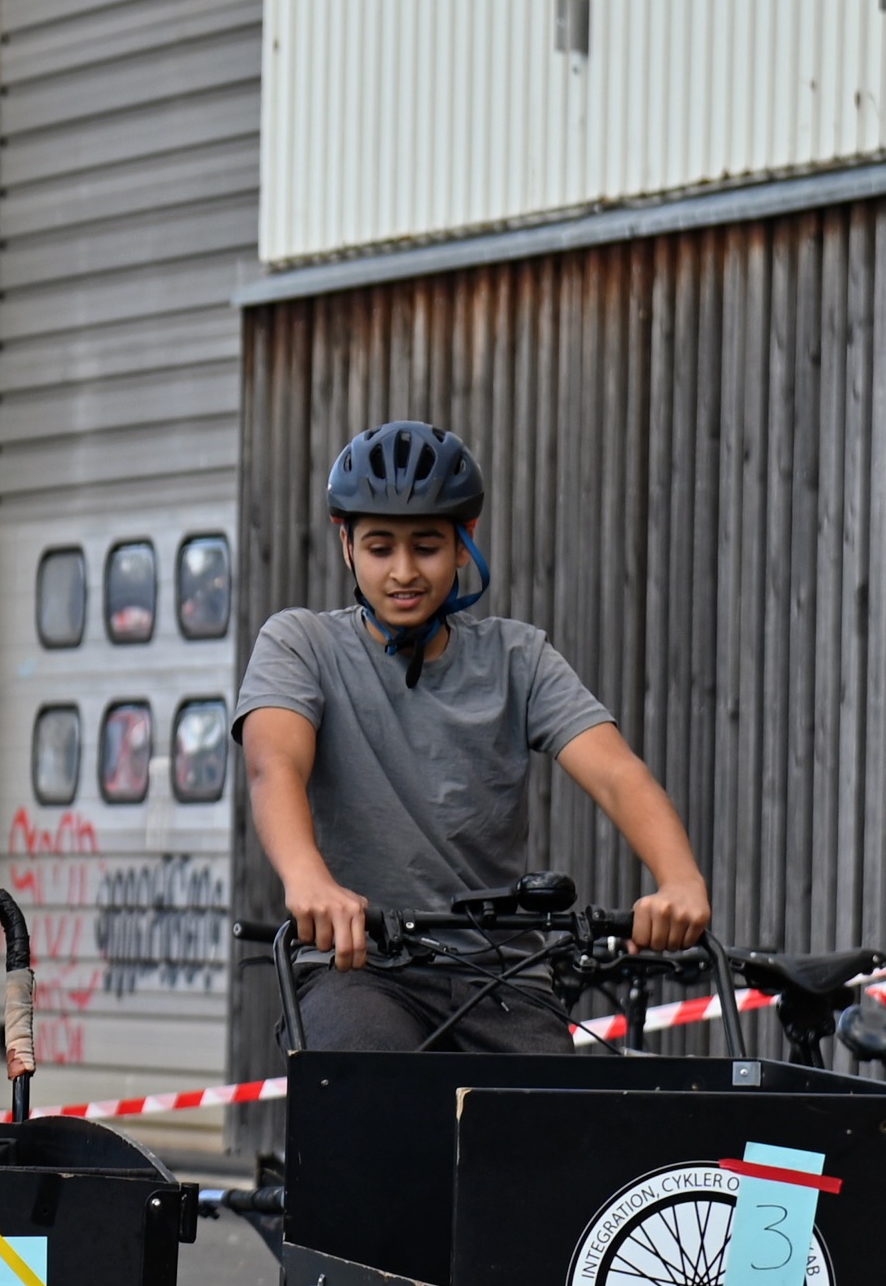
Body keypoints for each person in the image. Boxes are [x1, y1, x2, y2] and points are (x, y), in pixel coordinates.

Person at [233, 420, 711, 1053]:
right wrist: (308, 877)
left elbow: (618, 775)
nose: (404, 572)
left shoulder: (520, 659)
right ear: (345, 543)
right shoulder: (301, 645)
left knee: (565, 1129)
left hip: (503, 975)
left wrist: (680, 879)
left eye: (427, 546)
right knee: (375, 1087)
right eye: (380, 548)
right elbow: (275, 765)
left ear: (465, 542)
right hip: (360, 969)